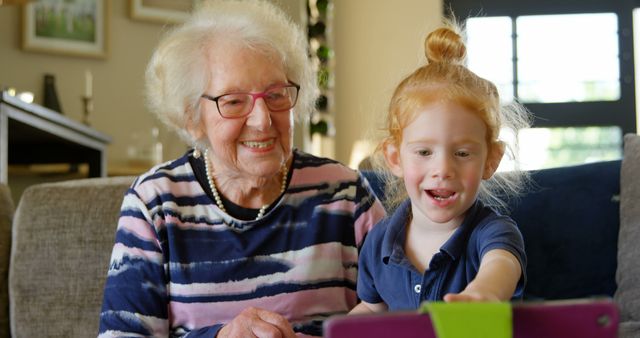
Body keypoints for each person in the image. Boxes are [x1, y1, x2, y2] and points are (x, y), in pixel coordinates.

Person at [97, 0, 386, 336]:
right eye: (234, 101)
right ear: (192, 118)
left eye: (276, 95)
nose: (263, 120)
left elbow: (406, 310)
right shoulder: (156, 202)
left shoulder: (345, 193)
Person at [350, 21, 531, 314]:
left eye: (461, 153)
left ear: (491, 161)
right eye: (423, 152)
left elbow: (500, 268)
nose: (443, 169)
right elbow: (371, 311)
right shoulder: (380, 240)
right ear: (395, 158)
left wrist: (482, 294)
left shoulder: (494, 233)